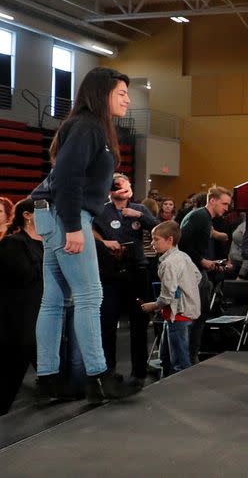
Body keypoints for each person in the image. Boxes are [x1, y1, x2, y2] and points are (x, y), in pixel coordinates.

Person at [29, 67, 138, 405]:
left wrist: (110, 183)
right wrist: (75, 226)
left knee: (54, 302)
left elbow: (76, 174)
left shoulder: (83, 126)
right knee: (90, 297)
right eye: (121, 93)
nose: (128, 99)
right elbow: (68, 177)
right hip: (66, 218)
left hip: (51, 215)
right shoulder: (89, 126)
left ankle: (48, 381)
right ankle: (99, 378)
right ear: (102, 93)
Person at [92, 172, 158, 386]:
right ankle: (109, 370)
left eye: (125, 184)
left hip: (137, 272)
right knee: (108, 323)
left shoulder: (139, 209)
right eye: (117, 185)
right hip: (110, 274)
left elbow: (158, 228)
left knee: (139, 323)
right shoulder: (100, 209)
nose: (122, 188)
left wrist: (139, 216)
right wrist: (105, 244)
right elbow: (89, 231)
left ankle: (139, 371)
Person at [179, 186, 232, 364]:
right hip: (191, 273)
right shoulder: (200, 217)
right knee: (194, 317)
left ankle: (190, 356)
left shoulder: (203, 217)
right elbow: (183, 243)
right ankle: (188, 358)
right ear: (212, 201)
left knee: (198, 316)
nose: (226, 208)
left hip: (196, 272)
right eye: (224, 204)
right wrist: (202, 261)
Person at [141, 221, 202, 376]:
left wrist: (153, 305)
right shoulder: (183, 256)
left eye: (156, 239)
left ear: (169, 240)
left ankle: (182, 393)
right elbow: (198, 276)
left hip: (178, 316)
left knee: (180, 362)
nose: (152, 243)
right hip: (180, 314)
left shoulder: (169, 263)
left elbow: (167, 296)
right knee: (166, 357)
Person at [0, 199, 43, 414]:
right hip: (19, 312)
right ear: (27, 215)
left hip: (40, 311)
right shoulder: (13, 243)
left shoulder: (48, 242)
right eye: (43, 211)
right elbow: (20, 276)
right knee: (15, 361)